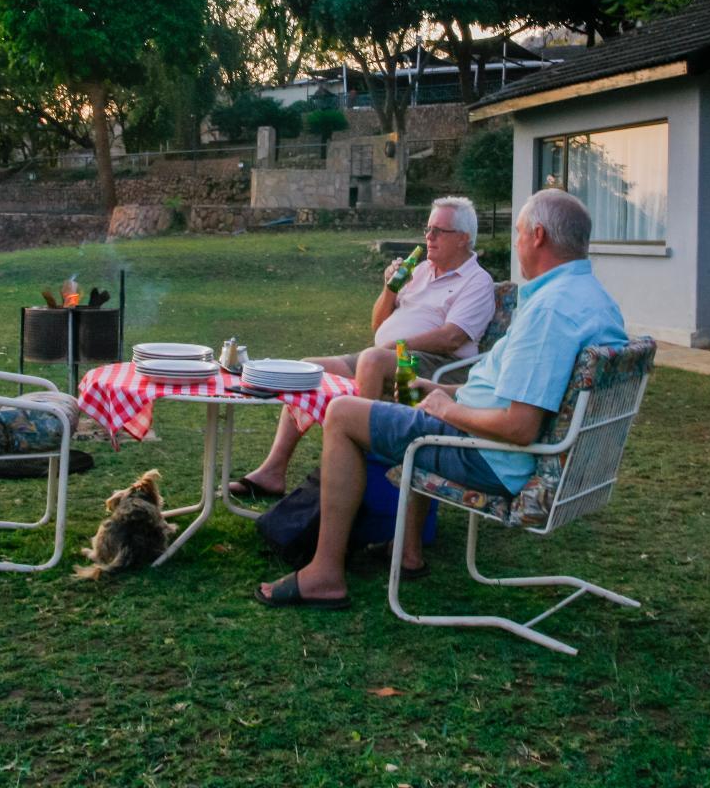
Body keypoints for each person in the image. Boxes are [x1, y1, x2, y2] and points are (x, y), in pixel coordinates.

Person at [254, 188, 627, 608]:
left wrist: (449, 409)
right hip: (490, 436)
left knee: (343, 413)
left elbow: (519, 427)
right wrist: (441, 392)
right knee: (394, 401)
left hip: (490, 456)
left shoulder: (549, 311)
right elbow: (506, 394)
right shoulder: (595, 301)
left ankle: (324, 574)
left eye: (519, 232)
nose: (516, 242)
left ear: (538, 236)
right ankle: (405, 550)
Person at [228, 196, 496, 499]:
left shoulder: (477, 281)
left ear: (463, 238)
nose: (429, 237)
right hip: (387, 356)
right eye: (428, 229)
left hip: (437, 366)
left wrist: (397, 346)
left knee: (372, 359)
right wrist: (390, 288)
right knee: (309, 368)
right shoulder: (421, 270)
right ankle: (273, 470)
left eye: (439, 231)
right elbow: (378, 325)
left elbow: (452, 338)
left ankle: (360, 459)